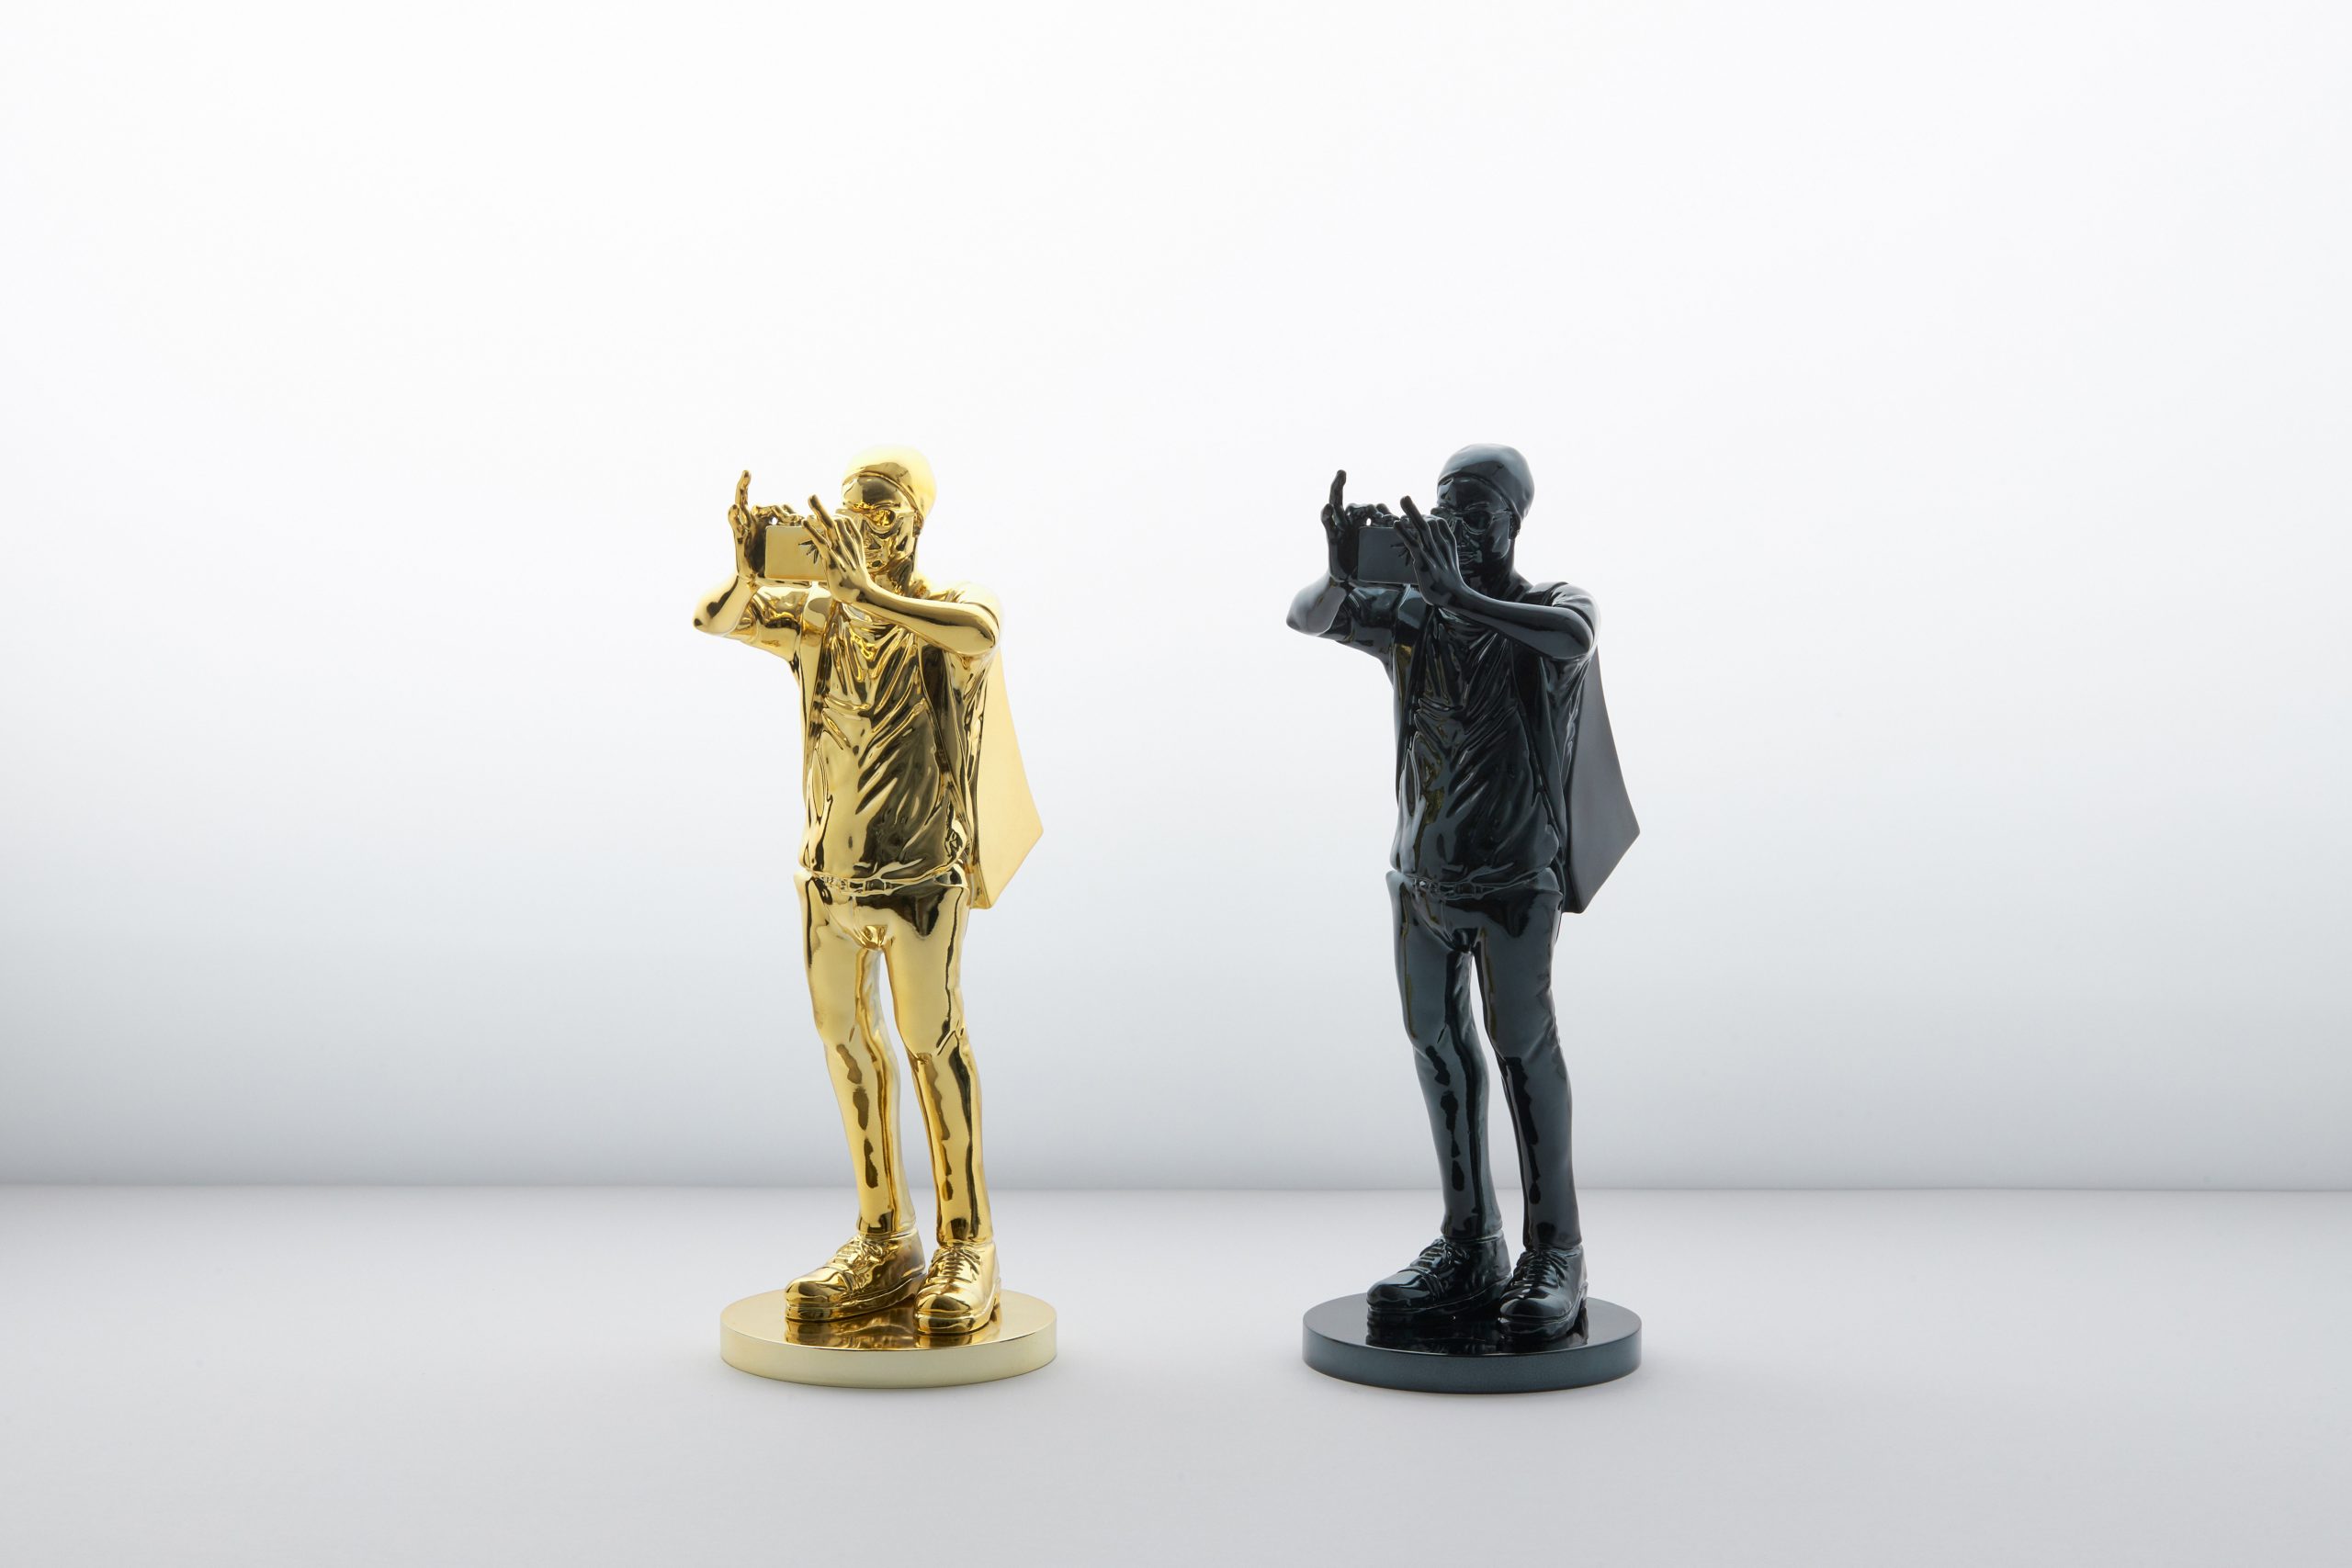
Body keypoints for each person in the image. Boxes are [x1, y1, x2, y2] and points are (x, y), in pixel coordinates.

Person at [1287, 444, 1629, 1341]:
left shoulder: (1551, 605)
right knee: (1437, 1048)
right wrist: (1338, 572)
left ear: (1514, 523)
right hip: (1420, 880)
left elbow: (1576, 641)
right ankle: (1469, 1240)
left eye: (1478, 511)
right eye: (1449, 507)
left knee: (1523, 1049)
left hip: (1515, 879)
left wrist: (1462, 599)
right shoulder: (1410, 617)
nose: (1460, 525)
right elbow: (1306, 617)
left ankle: (1556, 1250)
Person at [692, 446, 1036, 1336]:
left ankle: (969, 1243)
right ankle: (884, 1236)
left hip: (920, 876)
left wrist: (868, 593)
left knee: (932, 1042)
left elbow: (981, 636)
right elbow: (714, 619)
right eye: (857, 512)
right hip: (828, 878)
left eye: (886, 514)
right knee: (845, 1043)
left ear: (916, 523)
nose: (869, 528)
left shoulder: (947, 608)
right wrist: (746, 569)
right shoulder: (816, 619)